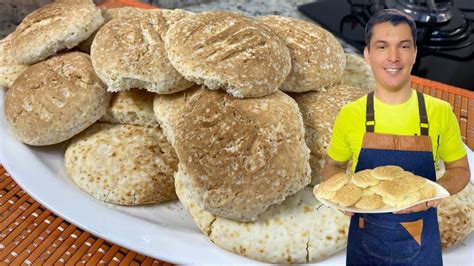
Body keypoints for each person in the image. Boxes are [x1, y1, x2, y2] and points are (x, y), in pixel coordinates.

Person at [321, 8, 470, 265]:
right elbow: (333, 165)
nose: (393, 57)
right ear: (367, 54)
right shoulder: (351, 114)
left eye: (403, 46)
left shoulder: (439, 111)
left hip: (421, 241)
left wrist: (433, 194)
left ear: (414, 53)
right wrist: (340, 195)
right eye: (382, 47)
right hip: (364, 239)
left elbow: (460, 169)